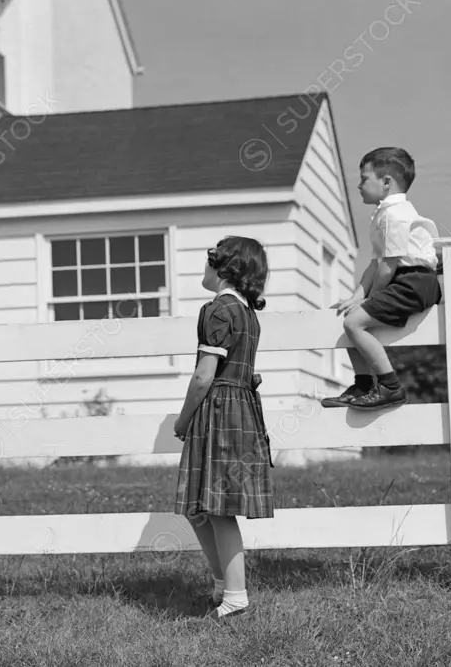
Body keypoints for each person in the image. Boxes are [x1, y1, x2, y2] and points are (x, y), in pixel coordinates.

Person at [173, 235, 274, 622]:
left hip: (219, 411)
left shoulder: (217, 310)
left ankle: (235, 597)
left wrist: (183, 420)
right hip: (238, 410)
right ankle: (221, 584)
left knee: (217, 508)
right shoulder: (247, 312)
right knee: (201, 507)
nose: (204, 267)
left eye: (208, 261)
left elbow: (203, 376)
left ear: (222, 268)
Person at [323, 147, 441, 410]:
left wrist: (371, 298)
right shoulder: (383, 214)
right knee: (350, 316)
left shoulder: (394, 215)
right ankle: (364, 384)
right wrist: (356, 297)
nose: (359, 184)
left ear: (386, 182)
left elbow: (388, 267)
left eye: (364, 178)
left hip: (414, 282)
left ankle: (390, 387)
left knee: (354, 322)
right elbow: (375, 264)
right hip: (404, 279)